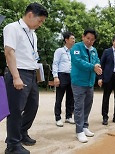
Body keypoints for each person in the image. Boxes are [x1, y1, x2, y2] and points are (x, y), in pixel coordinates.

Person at [3, 3, 48, 154]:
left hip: (31, 74)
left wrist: (38, 75)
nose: (40, 24)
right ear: (30, 15)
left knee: (32, 106)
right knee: (16, 110)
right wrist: (16, 77)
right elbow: (9, 52)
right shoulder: (12, 28)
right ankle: (12, 145)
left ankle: (22, 133)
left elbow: (33, 56)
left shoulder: (32, 34)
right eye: (40, 21)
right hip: (18, 72)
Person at [70, 28, 102, 143]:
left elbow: (97, 60)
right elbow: (77, 62)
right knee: (79, 106)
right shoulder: (76, 47)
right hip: (78, 82)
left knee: (88, 105)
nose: (89, 41)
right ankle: (79, 131)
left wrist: (97, 64)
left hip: (90, 82)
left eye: (92, 40)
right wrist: (93, 67)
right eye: (88, 38)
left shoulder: (94, 50)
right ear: (83, 37)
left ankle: (84, 126)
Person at [52, 32, 75, 127]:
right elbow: (55, 63)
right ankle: (58, 118)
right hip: (62, 75)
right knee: (59, 98)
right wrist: (56, 77)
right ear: (66, 40)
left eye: (74, 39)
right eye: (72, 38)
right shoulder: (59, 51)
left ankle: (69, 116)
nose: (74, 40)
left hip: (72, 76)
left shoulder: (74, 51)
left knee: (71, 97)